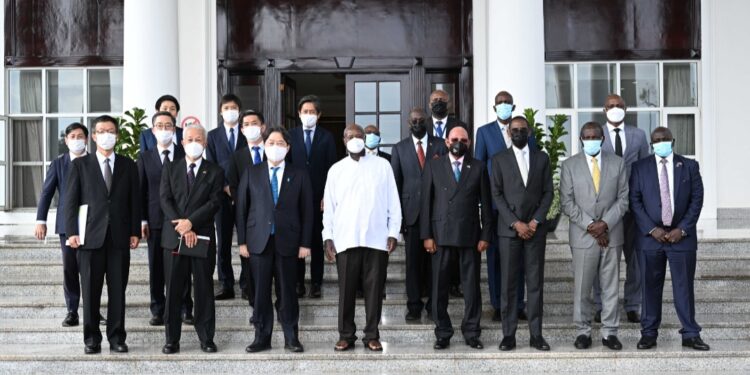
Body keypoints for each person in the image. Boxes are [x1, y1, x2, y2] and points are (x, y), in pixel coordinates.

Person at [64, 115, 141, 354]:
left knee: (118, 290)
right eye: (101, 131)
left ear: (116, 135)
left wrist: (135, 231)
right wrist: (71, 232)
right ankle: (91, 339)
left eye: (111, 131)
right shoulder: (80, 165)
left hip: (119, 238)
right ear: (94, 136)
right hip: (89, 239)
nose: (106, 135)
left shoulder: (128, 165)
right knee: (90, 290)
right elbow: (70, 201)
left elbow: (134, 201)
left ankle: (117, 337)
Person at [323, 124, 401, 352]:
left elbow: (393, 203)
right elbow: (329, 208)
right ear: (344, 140)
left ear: (365, 139)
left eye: (359, 136)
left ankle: (372, 335)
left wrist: (393, 232)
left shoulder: (382, 166)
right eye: (350, 136)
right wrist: (328, 237)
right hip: (345, 239)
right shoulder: (336, 170)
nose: (355, 139)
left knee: (374, 290)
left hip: (377, 239)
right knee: (346, 290)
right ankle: (346, 334)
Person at [630, 127, 708, 351]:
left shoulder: (689, 166)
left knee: (683, 288)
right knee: (649, 287)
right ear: (651, 144)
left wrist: (682, 229)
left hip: (681, 238)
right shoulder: (639, 167)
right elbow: (635, 201)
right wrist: (651, 229)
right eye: (656, 140)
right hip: (650, 238)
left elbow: (697, 200)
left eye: (664, 139)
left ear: (673, 141)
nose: (661, 143)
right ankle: (648, 333)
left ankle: (690, 333)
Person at [236, 127, 313, 353]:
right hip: (258, 242)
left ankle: (291, 337)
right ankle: (262, 337)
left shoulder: (299, 174)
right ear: (264, 145)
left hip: (289, 242)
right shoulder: (252, 172)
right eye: (271, 142)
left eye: (280, 143)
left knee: (288, 291)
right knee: (260, 293)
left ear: (288, 148)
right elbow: (241, 209)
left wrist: (305, 243)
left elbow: (308, 212)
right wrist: (242, 242)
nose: (275, 147)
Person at [421, 125, 492, 350]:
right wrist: (426, 235)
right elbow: (426, 204)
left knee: (471, 288)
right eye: (454, 138)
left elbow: (486, 205)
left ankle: (472, 331)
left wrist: (485, 234)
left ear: (469, 143)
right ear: (446, 141)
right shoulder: (433, 165)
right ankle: (442, 332)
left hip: (470, 236)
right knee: (439, 287)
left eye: (463, 139)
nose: (458, 142)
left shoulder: (478, 167)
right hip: (440, 236)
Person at [560, 122, 629, 350]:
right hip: (583, 236)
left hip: (612, 234)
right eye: (586, 136)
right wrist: (591, 225)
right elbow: (567, 202)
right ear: (581, 139)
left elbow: (623, 199)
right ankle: (583, 331)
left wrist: (605, 224)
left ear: (602, 138)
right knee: (583, 286)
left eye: (595, 136)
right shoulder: (569, 165)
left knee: (610, 286)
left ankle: (610, 332)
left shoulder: (618, 163)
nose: (591, 139)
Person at [490, 116, 553, 351]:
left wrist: (535, 221)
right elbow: (496, 195)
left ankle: (536, 335)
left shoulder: (542, 158)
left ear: (529, 132)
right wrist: (516, 223)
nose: (518, 133)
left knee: (535, 285)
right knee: (508, 285)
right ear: (508, 133)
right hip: (509, 231)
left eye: (522, 130)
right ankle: (509, 335)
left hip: (535, 231)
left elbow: (548, 193)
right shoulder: (498, 160)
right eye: (514, 130)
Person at [160, 124, 223, 354]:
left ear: (205, 143)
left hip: (202, 236)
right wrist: (183, 226)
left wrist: (192, 223)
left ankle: (206, 337)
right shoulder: (171, 167)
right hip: (175, 236)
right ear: (182, 142)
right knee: (174, 289)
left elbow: (214, 202)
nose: (194, 142)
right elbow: (165, 199)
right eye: (189, 139)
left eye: (199, 139)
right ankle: (171, 339)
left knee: (204, 288)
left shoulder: (215, 171)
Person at [474, 90, 536, 322]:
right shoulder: (485, 132)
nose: (504, 105)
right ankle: (498, 304)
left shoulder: (525, 131)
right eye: (500, 103)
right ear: (494, 108)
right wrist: (481, 201)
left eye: (507, 103)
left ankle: (518, 303)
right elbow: (479, 168)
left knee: (518, 258)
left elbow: (533, 163)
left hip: (521, 207)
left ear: (513, 105)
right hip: (494, 205)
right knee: (496, 258)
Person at [593, 94, 651, 324]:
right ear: (603, 109)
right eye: (611, 106)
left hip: (633, 208)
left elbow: (645, 167)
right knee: (604, 259)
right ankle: (600, 305)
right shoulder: (596, 134)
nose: (615, 109)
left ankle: (632, 304)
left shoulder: (638, 135)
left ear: (625, 108)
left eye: (619, 105)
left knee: (634, 259)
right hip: (606, 209)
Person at [137, 111, 194, 327]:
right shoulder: (145, 157)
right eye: (159, 126)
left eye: (168, 126)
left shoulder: (184, 153)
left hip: (182, 221)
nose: (164, 130)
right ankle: (158, 309)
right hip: (155, 221)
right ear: (152, 131)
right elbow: (140, 191)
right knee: (156, 268)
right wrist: (142, 221)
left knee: (183, 266)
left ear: (175, 129)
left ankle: (185, 308)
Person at [391, 108, 447, 321]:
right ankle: (414, 305)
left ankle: (434, 306)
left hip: (437, 214)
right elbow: (396, 185)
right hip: (411, 215)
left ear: (427, 122)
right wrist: (398, 220)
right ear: (408, 123)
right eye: (413, 120)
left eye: (421, 120)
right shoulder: (399, 148)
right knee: (413, 265)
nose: (417, 123)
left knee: (436, 265)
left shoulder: (440, 145)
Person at [35, 122, 89, 327]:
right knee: (70, 268)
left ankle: (92, 309)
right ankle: (72, 310)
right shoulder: (59, 163)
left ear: (86, 139)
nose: (76, 139)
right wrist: (41, 220)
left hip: (92, 224)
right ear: (66, 140)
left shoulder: (94, 161)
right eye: (72, 136)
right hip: (67, 224)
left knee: (91, 269)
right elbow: (47, 192)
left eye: (80, 136)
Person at [288, 95, 338, 299]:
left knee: (317, 242)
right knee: (297, 240)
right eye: (304, 111)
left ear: (318, 115)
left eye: (312, 112)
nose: (308, 115)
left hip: (319, 198)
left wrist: (327, 196)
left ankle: (316, 283)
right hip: (296, 198)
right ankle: (299, 283)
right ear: (299, 114)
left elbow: (331, 169)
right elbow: (288, 167)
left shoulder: (327, 137)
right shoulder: (290, 135)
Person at [206, 94, 248, 300]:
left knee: (246, 239)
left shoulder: (246, 133)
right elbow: (211, 165)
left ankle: (247, 282)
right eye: (226, 107)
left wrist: (240, 189)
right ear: (221, 111)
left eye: (234, 107)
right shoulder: (212, 136)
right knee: (222, 242)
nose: (230, 110)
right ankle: (226, 283)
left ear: (239, 111)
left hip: (245, 195)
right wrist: (224, 187)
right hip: (221, 197)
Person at [227, 110, 267, 302]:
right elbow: (232, 184)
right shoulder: (237, 157)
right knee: (247, 254)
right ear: (242, 130)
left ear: (263, 127)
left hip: (270, 214)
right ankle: (249, 289)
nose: (251, 127)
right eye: (247, 124)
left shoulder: (275, 150)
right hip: (246, 214)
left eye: (255, 123)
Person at [428, 89, 465, 297]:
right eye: (435, 100)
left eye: (443, 99)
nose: (439, 102)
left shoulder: (459, 126)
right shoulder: (422, 125)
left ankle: (455, 284)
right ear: (429, 103)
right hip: (432, 186)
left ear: (449, 103)